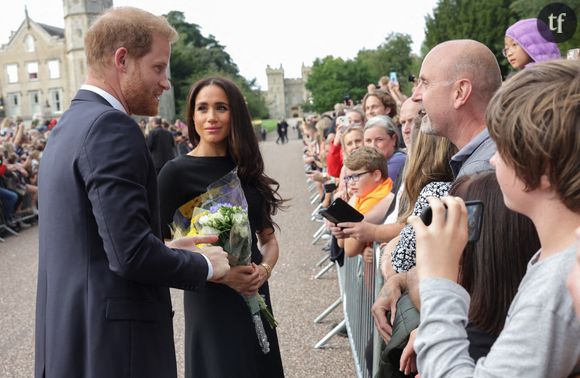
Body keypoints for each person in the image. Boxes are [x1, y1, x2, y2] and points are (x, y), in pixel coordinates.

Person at [35, 7, 230, 378]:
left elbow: (90, 245)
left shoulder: (68, 127)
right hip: (114, 352)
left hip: (70, 343)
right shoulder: (111, 127)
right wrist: (206, 265)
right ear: (122, 59)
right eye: (158, 68)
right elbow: (130, 256)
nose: (166, 83)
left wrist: (166, 249)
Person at [410, 60, 580, 377]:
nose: (490, 158)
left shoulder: (553, 289)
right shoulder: (557, 260)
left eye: (501, 148)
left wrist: (438, 280)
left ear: (541, 169)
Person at [158, 76, 285, 378]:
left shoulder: (247, 170)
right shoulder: (174, 173)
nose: (211, 117)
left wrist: (262, 271)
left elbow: (268, 240)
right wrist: (223, 275)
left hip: (254, 290)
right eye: (202, 108)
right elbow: (160, 246)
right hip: (209, 299)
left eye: (221, 108)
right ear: (192, 116)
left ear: (235, 114)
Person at [411, 39, 501, 179]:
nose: (415, 96)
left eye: (425, 83)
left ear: (460, 92)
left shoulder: (481, 171)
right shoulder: (497, 155)